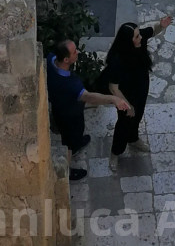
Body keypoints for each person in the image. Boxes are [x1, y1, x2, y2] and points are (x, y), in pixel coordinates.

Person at [46, 39, 132, 182]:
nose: (78, 52)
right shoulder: (70, 85)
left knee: (75, 136)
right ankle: (66, 173)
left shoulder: (50, 59)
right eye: (74, 52)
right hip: (69, 116)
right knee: (68, 143)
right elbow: (89, 97)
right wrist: (114, 99)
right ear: (66, 59)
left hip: (59, 108)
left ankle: (77, 143)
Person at [104, 16, 172, 164]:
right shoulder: (116, 60)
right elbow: (113, 88)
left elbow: (152, 30)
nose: (140, 37)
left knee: (138, 116)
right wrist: (127, 106)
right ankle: (116, 152)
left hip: (140, 87)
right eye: (136, 36)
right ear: (128, 41)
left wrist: (161, 25)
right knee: (123, 123)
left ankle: (133, 139)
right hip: (125, 95)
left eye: (139, 34)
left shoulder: (139, 40)